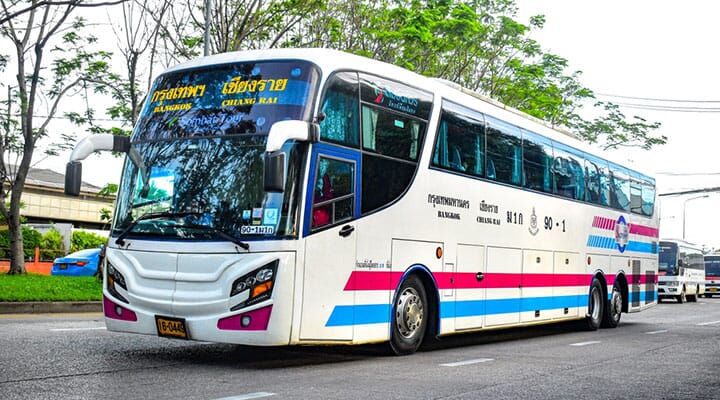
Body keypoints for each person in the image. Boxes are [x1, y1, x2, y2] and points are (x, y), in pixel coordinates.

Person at [312, 159, 333, 227]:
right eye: (321, 166)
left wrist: (314, 203)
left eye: (324, 167)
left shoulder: (325, 177)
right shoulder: (313, 175)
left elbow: (328, 198)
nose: (322, 169)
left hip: (320, 213)